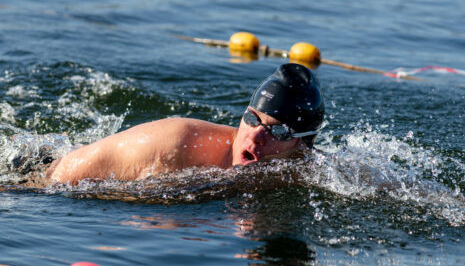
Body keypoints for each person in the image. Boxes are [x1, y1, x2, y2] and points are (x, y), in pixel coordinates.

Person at [47, 63, 325, 185]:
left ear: (302, 144)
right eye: (251, 120)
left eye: (276, 131)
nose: (254, 139)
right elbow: (60, 175)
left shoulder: (307, 169)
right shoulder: (174, 143)